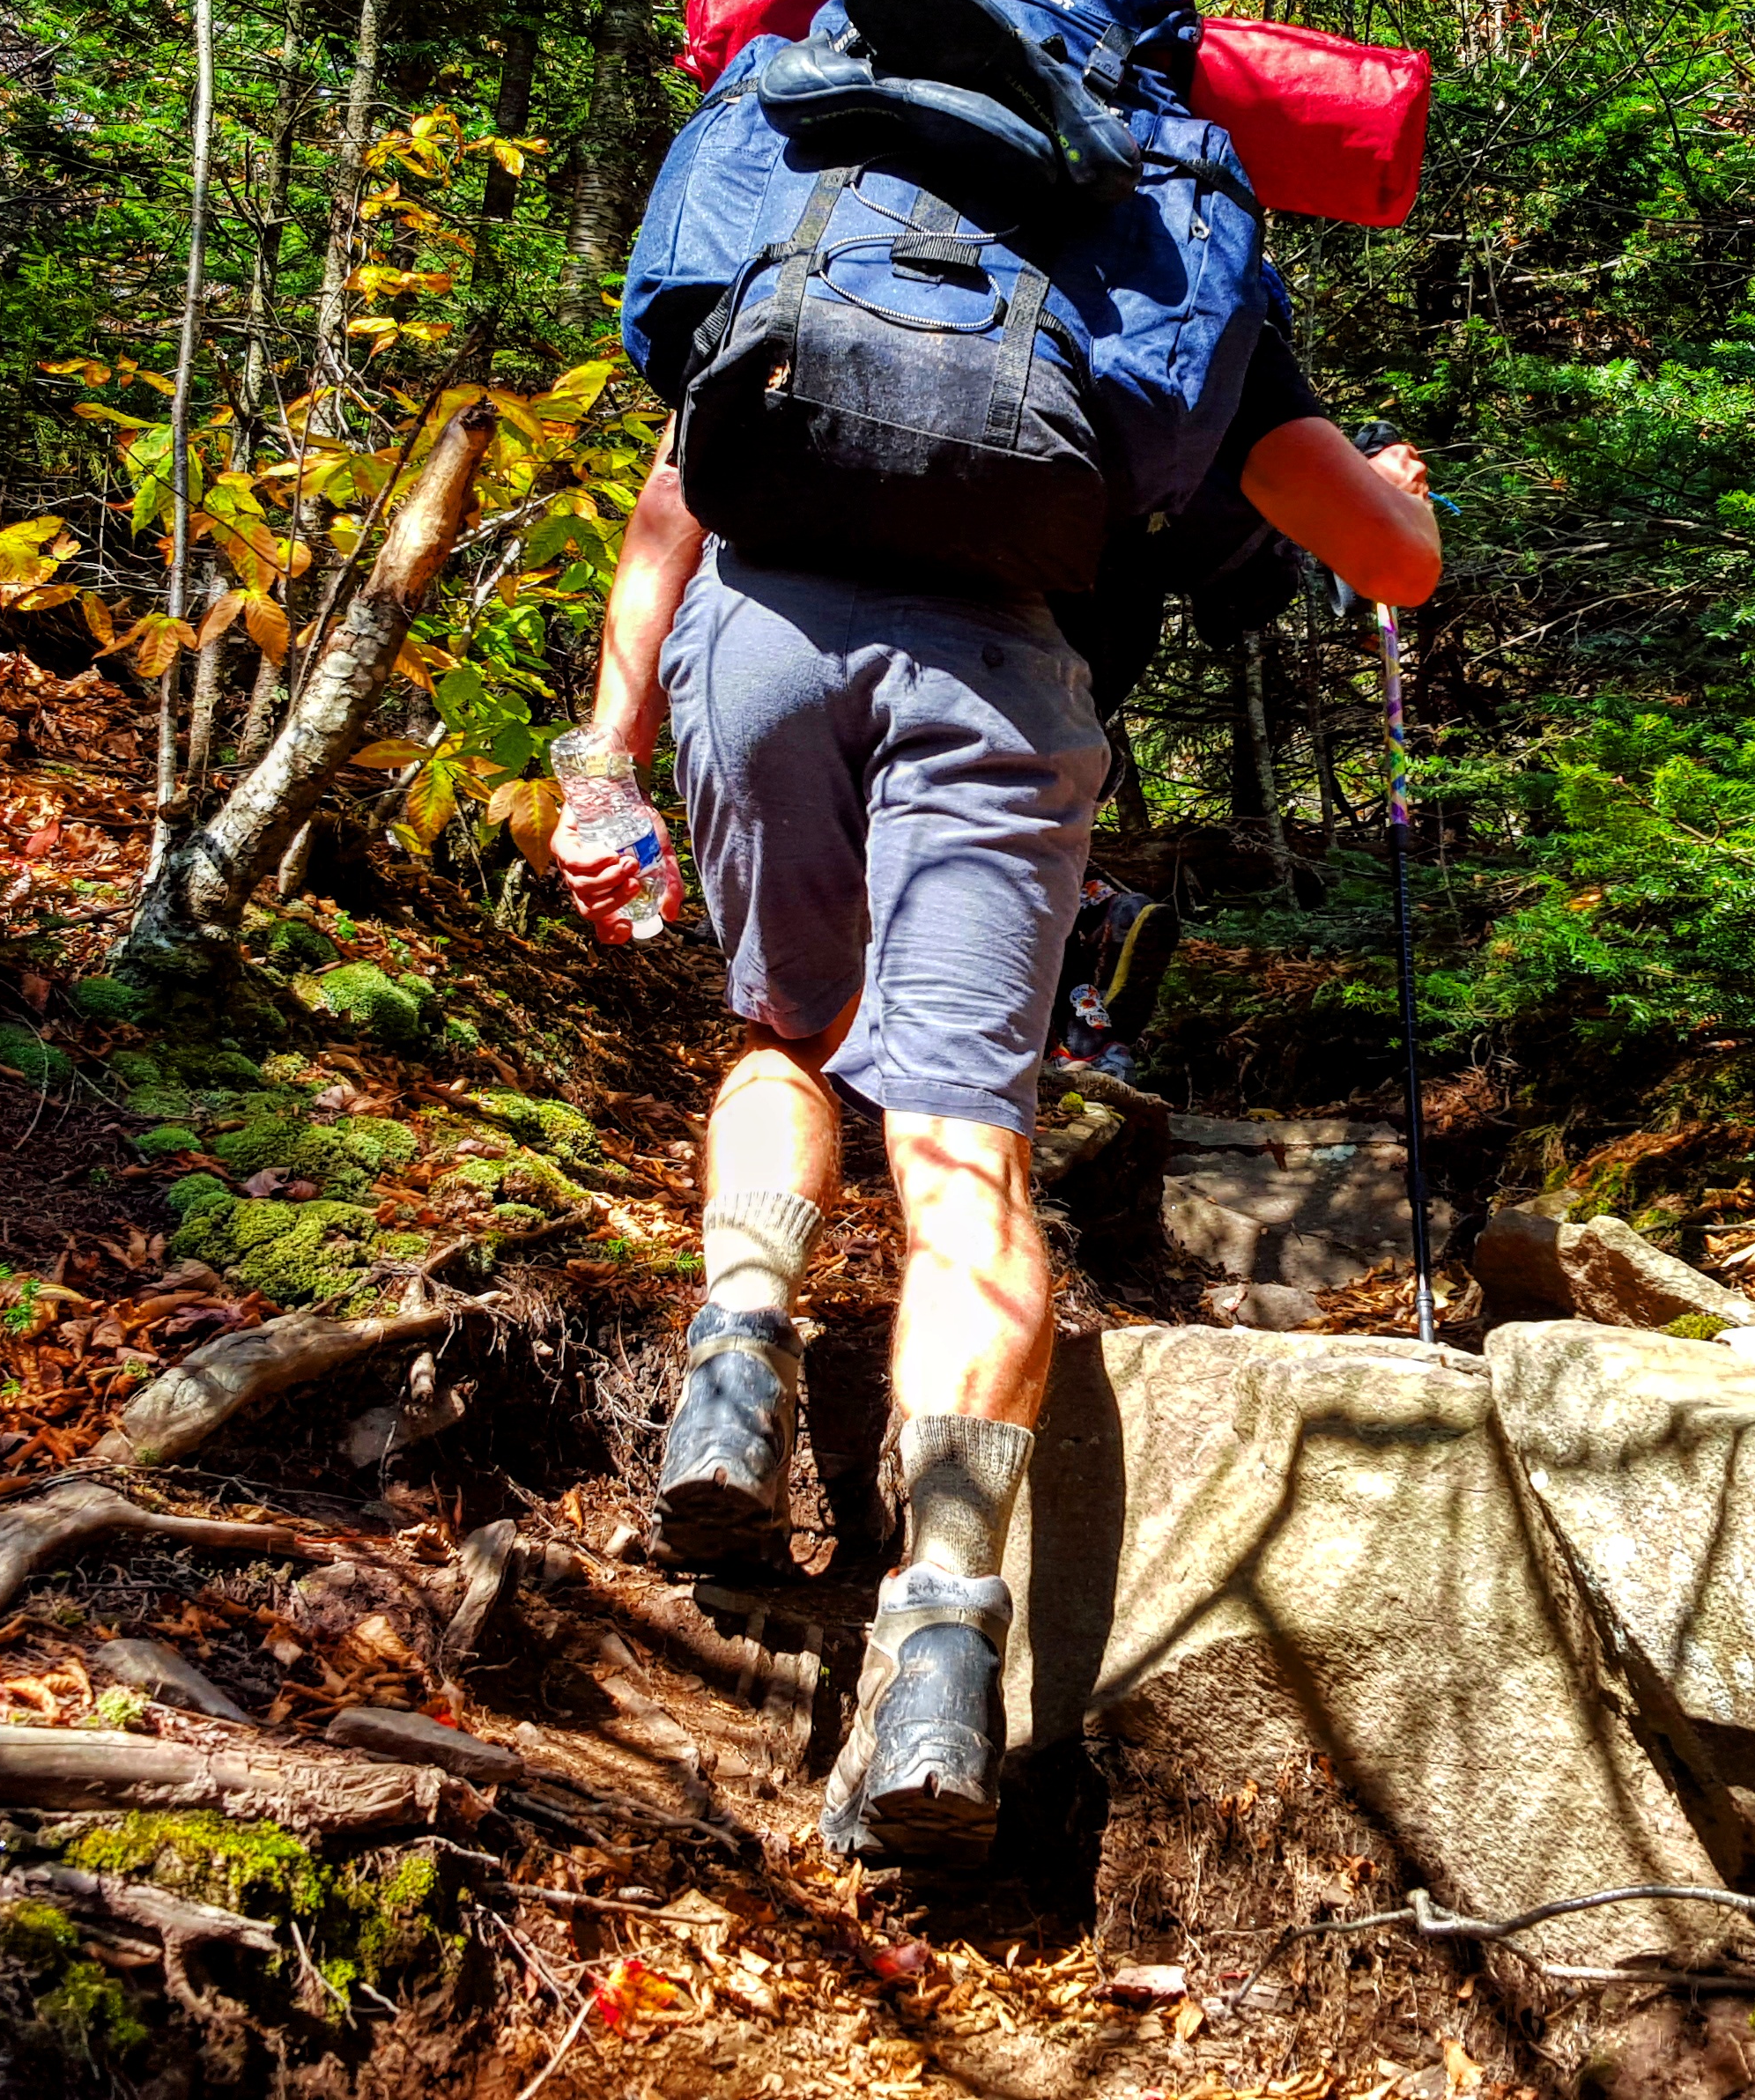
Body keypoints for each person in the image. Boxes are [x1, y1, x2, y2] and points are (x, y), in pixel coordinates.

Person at [553, 298, 1435, 1864]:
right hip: (1001, 671)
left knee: (785, 1039)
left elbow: (675, 494)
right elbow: (1374, 564)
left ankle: (737, 1369)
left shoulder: (831, 179)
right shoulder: (1166, 242)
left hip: (759, 640)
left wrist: (605, 759)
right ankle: (943, 1648)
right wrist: (1400, 507)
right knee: (968, 1153)